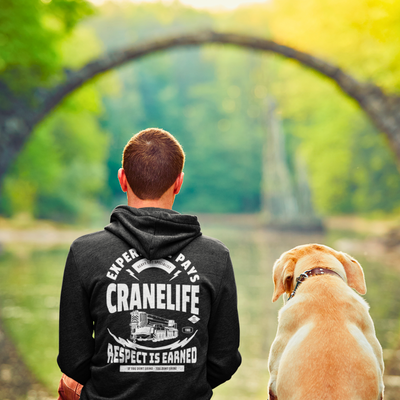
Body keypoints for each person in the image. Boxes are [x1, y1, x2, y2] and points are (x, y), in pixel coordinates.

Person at [57, 128, 242, 400]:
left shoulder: (84, 252)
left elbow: (74, 359)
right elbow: (224, 361)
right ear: (178, 183)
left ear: (122, 179)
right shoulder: (216, 257)